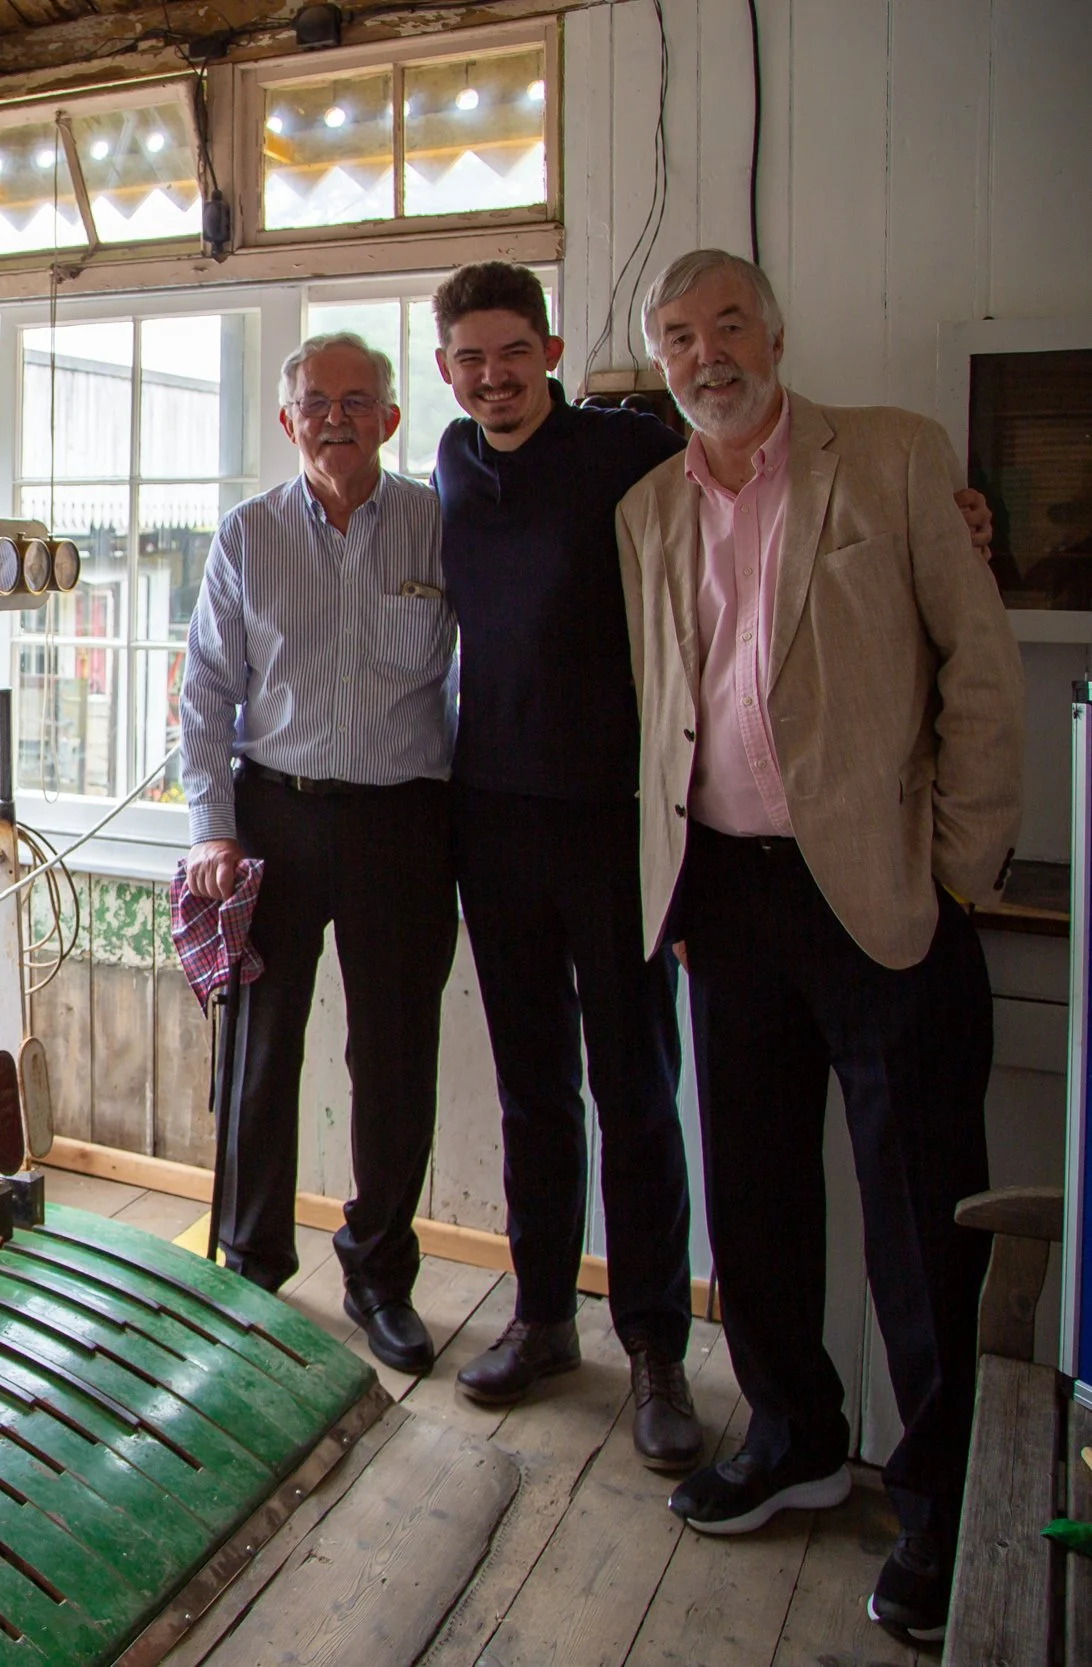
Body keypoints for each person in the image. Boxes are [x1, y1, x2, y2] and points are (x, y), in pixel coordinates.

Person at [617, 248, 1021, 1645]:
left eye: (729, 321)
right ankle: (791, 1434)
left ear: (777, 332)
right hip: (723, 901)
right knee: (758, 1191)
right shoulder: (646, 506)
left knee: (922, 1216)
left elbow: (979, 663)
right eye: (678, 333)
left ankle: (947, 1501)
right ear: (659, 359)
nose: (707, 350)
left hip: (882, 899)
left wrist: (958, 867)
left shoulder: (898, 459)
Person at [426, 262, 703, 1467]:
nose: (491, 378)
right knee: (533, 1085)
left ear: (546, 346)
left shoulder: (629, 447)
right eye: (467, 360)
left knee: (635, 1087)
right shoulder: (447, 457)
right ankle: (543, 1316)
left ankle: (654, 1346)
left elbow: (733, 519)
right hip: (491, 818)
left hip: (614, 818)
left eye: (508, 353)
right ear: (446, 370)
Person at [180, 332, 456, 1374]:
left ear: (390, 417)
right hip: (274, 820)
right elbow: (206, 692)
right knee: (259, 1054)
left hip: (403, 824)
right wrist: (212, 825)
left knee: (393, 1062)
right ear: (288, 418)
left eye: (357, 399)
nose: (334, 416)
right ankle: (248, 1270)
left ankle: (380, 1276)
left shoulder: (437, 526)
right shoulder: (245, 537)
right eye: (314, 401)